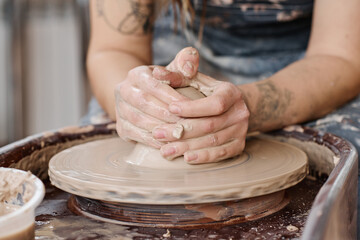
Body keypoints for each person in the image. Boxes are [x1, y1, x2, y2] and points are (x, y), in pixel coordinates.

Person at [86, 0, 360, 236]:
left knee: (349, 174)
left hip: (311, 67)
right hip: (174, 57)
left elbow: (340, 55)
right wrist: (139, 101)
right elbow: (113, 49)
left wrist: (250, 106)